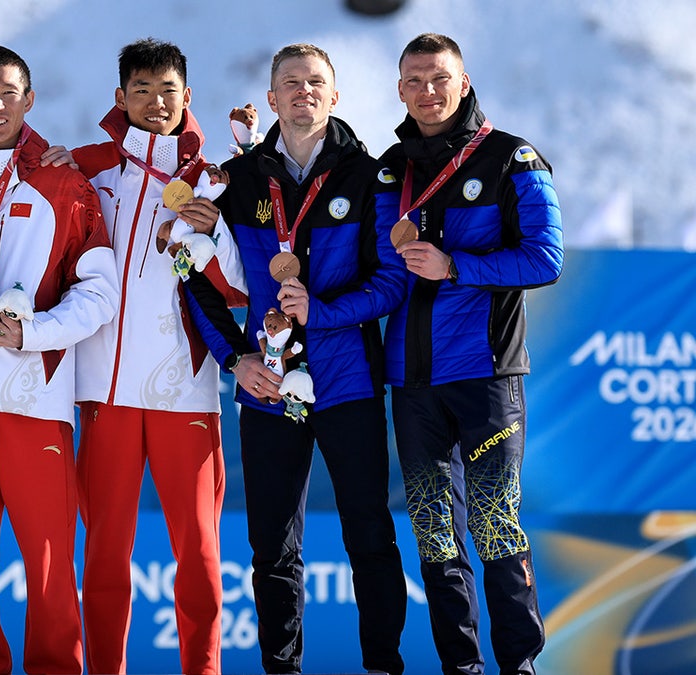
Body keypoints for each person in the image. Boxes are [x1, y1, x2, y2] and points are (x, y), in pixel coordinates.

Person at [185, 43, 408, 674]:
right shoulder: (238, 180)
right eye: (291, 83)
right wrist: (235, 359)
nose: (303, 92)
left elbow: (392, 282)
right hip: (268, 385)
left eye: (315, 82)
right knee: (272, 546)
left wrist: (322, 311)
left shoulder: (369, 177)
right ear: (272, 98)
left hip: (348, 382)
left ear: (334, 96)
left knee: (369, 533)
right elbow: (191, 272)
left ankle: (383, 666)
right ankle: (282, 669)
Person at [0, 44, 118, 675]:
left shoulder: (65, 185)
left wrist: (32, 334)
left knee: (49, 560)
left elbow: (100, 292)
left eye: (9, 92)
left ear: (29, 100)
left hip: (35, 403)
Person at [382, 33, 562, 675]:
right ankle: (461, 667)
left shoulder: (513, 157)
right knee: (434, 534)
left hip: (486, 376)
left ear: (463, 82)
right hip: (411, 381)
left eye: (439, 78)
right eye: (414, 80)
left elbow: (546, 258)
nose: (427, 92)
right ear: (399, 89)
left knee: (494, 526)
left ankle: (520, 666)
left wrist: (455, 266)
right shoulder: (390, 167)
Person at [68, 38, 244, 675]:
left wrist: (214, 230)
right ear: (121, 98)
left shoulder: (214, 181)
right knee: (104, 554)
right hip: (106, 391)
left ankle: (204, 669)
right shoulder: (85, 169)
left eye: (168, 90)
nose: (155, 102)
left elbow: (241, 288)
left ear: (186, 96)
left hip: (183, 390)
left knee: (198, 551)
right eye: (141, 90)